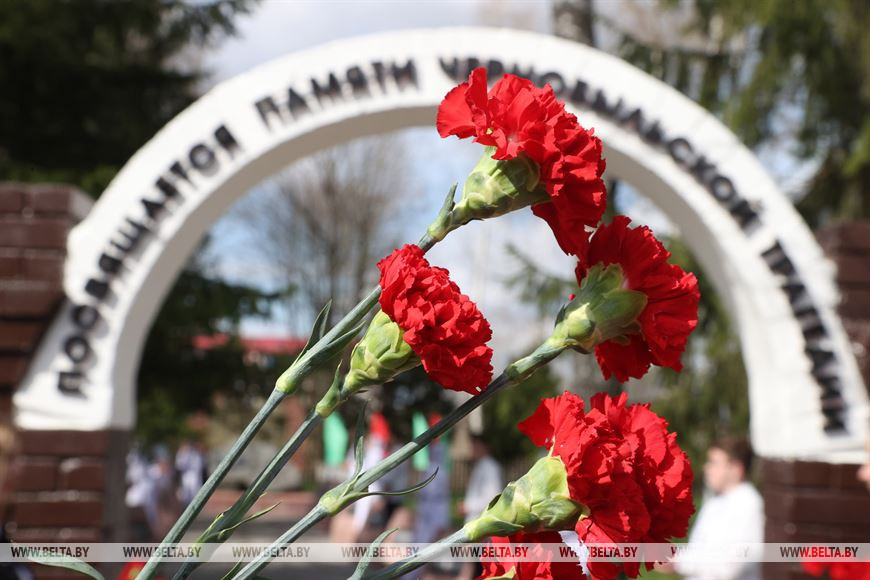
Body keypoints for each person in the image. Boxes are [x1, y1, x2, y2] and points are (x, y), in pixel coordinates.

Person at [664, 436, 764, 580]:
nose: (707, 468)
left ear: (736, 468)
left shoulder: (749, 506)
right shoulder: (715, 501)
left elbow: (729, 567)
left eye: (714, 463)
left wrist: (677, 561)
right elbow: (699, 551)